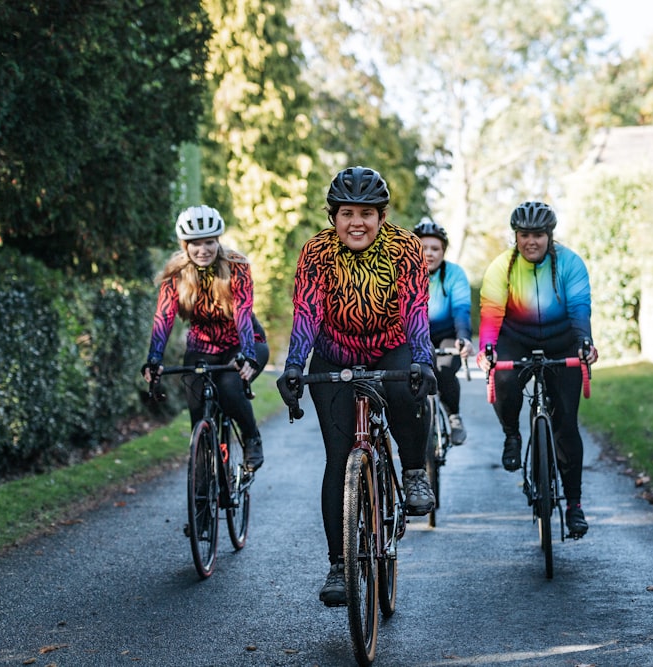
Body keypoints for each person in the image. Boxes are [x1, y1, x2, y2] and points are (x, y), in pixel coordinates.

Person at [276, 166, 437, 606]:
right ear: (334, 217)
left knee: (408, 390)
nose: (357, 222)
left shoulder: (405, 247)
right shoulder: (316, 253)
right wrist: (293, 365)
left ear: (382, 216)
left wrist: (422, 359)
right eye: (347, 213)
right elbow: (306, 313)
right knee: (337, 459)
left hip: (391, 347)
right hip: (335, 353)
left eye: (367, 212)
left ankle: (414, 471)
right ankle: (340, 567)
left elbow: (416, 309)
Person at [475, 201, 598, 537]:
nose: (531, 241)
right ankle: (512, 435)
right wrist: (487, 348)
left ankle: (574, 505)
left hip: (562, 342)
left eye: (538, 235)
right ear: (516, 236)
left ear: (549, 236)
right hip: (516, 339)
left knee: (566, 427)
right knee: (504, 377)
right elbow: (491, 311)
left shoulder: (570, 263)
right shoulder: (503, 266)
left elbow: (579, 307)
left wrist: (584, 342)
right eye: (524, 235)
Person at [142, 205, 269, 472]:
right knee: (198, 412)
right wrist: (154, 359)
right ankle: (202, 486)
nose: (203, 250)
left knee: (230, 388)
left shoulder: (237, 265)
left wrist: (246, 353)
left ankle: (251, 438)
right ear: (184, 245)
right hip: (202, 349)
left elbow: (243, 313)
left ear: (218, 241)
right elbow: (163, 318)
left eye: (209, 242)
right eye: (195, 244)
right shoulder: (175, 274)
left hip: (244, 343)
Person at [412, 219, 474, 445]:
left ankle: (454, 416)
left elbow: (461, 309)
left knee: (444, 368)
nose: (428, 253)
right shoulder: (403, 272)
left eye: (435, 249)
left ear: (443, 251)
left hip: (448, 334)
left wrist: (463, 337)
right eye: (423, 247)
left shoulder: (454, 274)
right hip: (415, 335)